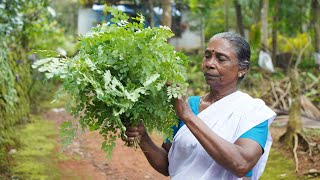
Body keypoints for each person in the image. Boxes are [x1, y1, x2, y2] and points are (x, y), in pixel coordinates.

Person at [124, 32, 276, 180]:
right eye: (207, 56)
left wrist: (188, 116)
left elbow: (241, 164)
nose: (210, 64)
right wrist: (143, 137)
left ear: (242, 69)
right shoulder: (189, 104)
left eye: (221, 59)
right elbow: (168, 164)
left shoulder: (253, 112)